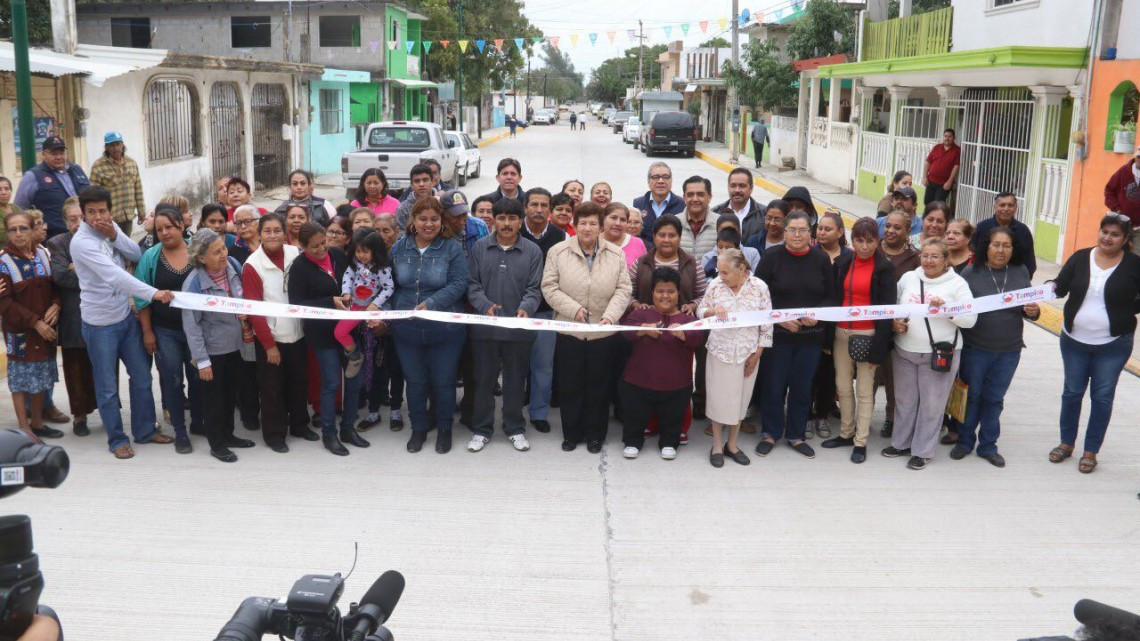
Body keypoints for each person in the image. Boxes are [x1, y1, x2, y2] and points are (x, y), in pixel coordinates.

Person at [71, 187, 175, 459]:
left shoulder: (109, 227)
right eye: (91, 212)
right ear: (83, 213)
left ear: (110, 210)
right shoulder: (82, 243)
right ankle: (117, 439)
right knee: (107, 387)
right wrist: (153, 294)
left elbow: (136, 254)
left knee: (142, 376)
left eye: (102, 211)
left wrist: (114, 234)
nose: (98, 217)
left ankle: (145, 431)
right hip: (99, 325)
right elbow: (114, 275)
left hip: (125, 318)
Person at [1050, 214, 1140, 474]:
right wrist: (1046, 288)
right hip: (1074, 342)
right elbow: (1060, 286)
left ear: (1125, 239)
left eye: (1114, 234)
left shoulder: (1134, 265)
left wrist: (1126, 311)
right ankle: (1066, 443)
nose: (1107, 238)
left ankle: (1091, 451)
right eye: (1104, 232)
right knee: (1072, 393)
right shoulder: (1081, 257)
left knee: (1101, 397)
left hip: (1113, 345)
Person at [541, 201, 632, 453]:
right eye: (583, 223)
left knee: (598, 386)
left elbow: (623, 289)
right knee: (570, 384)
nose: (588, 228)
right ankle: (571, 433)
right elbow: (549, 287)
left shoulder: (616, 254)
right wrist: (573, 309)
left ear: (601, 226)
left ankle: (595, 435)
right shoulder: (558, 252)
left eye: (593, 223)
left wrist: (610, 317)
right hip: (570, 330)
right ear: (575, 225)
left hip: (603, 332)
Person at [884, 237, 977, 470]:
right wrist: (895, 322)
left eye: (935, 256)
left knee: (932, 405)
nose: (928, 260)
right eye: (925, 255)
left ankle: (922, 451)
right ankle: (901, 443)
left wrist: (946, 309)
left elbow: (970, 320)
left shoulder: (957, 284)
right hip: (904, 351)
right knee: (904, 401)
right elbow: (894, 306)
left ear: (946, 259)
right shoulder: (909, 278)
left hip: (938, 355)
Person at [388, 197, 469, 454]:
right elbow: (389, 284)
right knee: (415, 382)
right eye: (422, 218)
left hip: (444, 329)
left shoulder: (451, 248)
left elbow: (459, 283)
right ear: (413, 220)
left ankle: (444, 429)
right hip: (407, 329)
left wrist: (432, 303)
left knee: (444, 382)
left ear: (441, 221)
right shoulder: (399, 248)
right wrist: (384, 312)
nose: (429, 224)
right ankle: (418, 429)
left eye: (434, 219)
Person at [954, 227, 1039, 468]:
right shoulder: (971, 273)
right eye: (996, 245)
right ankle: (964, 441)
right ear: (987, 247)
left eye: (1006, 246)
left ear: (1013, 249)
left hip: (1009, 350)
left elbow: (1029, 308)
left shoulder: (1020, 271)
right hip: (976, 348)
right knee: (972, 396)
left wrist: (1033, 311)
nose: (1001, 250)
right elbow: (961, 309)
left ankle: (988, 446)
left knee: (994, 399)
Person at [464, 197, 544, 453]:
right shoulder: (479, 248)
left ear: (521, 222)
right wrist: (484, 304)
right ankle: (481, 429)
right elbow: (472, 284)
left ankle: (515, 427)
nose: (506, 223)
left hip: (519, 329)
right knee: (483, 381)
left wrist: (526, 308)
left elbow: (534, 288)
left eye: (512, 218)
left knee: (515, 381)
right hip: (484, 329)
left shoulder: (532, 251)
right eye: (501, 218)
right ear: (494, 221)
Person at [754, 212, 835, 459]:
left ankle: (796, 435)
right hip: (778, 337)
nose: (797, 235)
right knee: (773, 386)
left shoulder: (820, 259)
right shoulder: (771, 257)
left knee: (802, 387)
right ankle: (770, 433)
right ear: (785, 232)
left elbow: (831, 296)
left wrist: (817, 315)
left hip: (810, 337)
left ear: (810, 233)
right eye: (792, 230)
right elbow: (757, 296)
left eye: (802, 230)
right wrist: (779, 318)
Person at [287, 222, 370, 456]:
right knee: (332, 382)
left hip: (348, 330)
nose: (321, 249)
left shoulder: (336, 255)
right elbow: (296, 304)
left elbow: (352, 279)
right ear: (303, 246)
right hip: (322, 334)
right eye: (314, 246)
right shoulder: (299, 267)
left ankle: (348, 428)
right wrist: (329, 302)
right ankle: (329, 433)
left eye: (324, 242)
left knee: (353, 380)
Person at [821, 218, 897, 464]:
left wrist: (879, 349)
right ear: (852, 241)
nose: (865, 246)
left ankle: (860, 441)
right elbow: (834, 299)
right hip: (841, 333)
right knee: (842, 387)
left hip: (869, 336)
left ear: (878, 241)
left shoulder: (885, 268)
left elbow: (887, 312)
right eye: (860, 240)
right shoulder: (843, 263)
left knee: (864, 390)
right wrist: (827, 335)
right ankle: (846, 432)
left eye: (870, 241)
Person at [181, 229, 256, 462]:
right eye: (216, 252)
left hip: (235, 346)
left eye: (223, 248)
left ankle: (229, 434)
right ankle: (217, 444)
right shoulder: (194, 283)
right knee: (214, 400)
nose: (223, 254)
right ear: (201, 258)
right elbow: (192, 326)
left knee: (230, 394)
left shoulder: (233, 265)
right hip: (212, 351)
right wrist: (202, 361)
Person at [630, 213, 707, 438]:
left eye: (672, 235)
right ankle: (650, 423)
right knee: (648, 376)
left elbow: (704, 294)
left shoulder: (692, 263)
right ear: (653, 236)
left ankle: (679, 427)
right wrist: (637, 305)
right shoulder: (641, 263)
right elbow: (627, 292)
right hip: (649, 331)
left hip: (680, 332)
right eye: (661, 235)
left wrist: (693, 305)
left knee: (678, 379)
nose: (666, 239)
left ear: (680, 237)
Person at [242, 213, 315, 452]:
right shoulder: (252, 265)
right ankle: (274, 435)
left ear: (285, 233)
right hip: (271, 338)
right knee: (272, 390)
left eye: (277, 230)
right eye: (267, 231)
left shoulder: (296, 254)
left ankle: (300, 426)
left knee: (299, 383)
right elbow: (254, 310)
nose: (272, 235)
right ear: (260, 234)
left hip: (298, 334)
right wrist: (269, 345)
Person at [134, 207, 200, 453]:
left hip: (196, 331)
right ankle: (180, 431)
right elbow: (142, 296)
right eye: (159, 229)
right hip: (165, 331)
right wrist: (147, 332)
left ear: (181, 226)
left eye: (169, 227)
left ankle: (199, 422)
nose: (164, 233)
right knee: (172, 380)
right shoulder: (151, 257)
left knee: (197, 377)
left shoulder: (197, 251)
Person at [620, 268, 704, 460]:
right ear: (652, 292)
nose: (665, 296)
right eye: (660, 291)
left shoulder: (687, 318)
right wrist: (644, 329)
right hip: (638, 382)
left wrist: (683, 334)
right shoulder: (641, 314)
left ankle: (669, 442)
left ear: (678, 293)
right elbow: (625, 330)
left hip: (676, 385)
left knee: (673, 417)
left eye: (670, 291)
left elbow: (698, 337)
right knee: (634, 415)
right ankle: (632, 441)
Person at [699, 249, 772, 467]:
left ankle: (732, 444)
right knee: (718, 400)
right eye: (719, 272)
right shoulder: (715, 285)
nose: (721, 276)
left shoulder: (759, 287)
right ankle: (717, 445)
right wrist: (712, 311)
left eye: (725, 272)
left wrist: (757, 354)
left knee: (741, 400)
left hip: (747, 353)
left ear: (741, 269)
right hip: (720, 351)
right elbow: (701, 310)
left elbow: (767, 323)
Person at [0, 211, 61, 442]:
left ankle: (38, 423)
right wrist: (35, 322)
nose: (18, 234)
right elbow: (4, 303)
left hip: (46, 330)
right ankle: (24, 429)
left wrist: (57, 304)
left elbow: (56, 286)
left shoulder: (43, 254)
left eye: (23, 228)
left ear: (33, 229)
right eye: (13, 229)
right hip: (21, 331)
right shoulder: (3, 262)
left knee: (41, 374)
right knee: (20, 379)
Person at [45, 199, 97, 436]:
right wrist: (92, 271)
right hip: (73, 316)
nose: (78, 223)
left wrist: (76, 267)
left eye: (81, 218)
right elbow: (60, 276)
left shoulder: (100, 239)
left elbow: (110, 272)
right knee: (74, 367)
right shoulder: (57, 243)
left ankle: (107, 410)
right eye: (72, 219)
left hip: (101, 314)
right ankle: (79, 416)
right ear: (65, 222)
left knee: (103, 366)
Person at [521, 187, 566, 434]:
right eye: (534, 205)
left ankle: (538, 412)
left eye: (543, 205)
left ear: (550, 209)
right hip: (517, 311)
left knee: (543, 366)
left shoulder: (560, 236)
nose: (538, 210)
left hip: (547, 312)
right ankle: (514, 409)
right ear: (525, 207)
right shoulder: (513, 231)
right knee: (516, 365)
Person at [358, 216, 405, 432]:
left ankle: (396, 410)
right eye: (376, 230)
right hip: (372, 323)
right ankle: (373, 411)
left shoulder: (402, 255)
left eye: (386, 230)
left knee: (396, 368)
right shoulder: (366, 259)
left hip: (397, 321)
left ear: (397, 231)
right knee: (374, 368)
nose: (381, 235)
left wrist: (388, 320)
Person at [807, 211, 851, 439]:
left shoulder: (850, 257)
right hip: (812, 323)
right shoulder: (810, 254)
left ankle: (822, 414)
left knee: (828, 372)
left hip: (839, 324)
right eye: (820, 228)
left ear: (840, 232)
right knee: (809, 372)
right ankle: (806, 416)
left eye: (828, 229)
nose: (822, 232)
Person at [877, 210, 921, 439]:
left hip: (902, 328)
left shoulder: (915, 258)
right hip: (874, 326)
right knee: (870, 377)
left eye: (897, 227)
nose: (891, 231)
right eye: (888, 226)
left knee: (895, 380)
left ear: (908, 231)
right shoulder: (873, 249)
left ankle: (892, 419)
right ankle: (858, 421)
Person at [332, 229, 394, 377]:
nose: (361, 255)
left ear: (375, 250)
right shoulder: (355, 263)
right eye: (358, 251)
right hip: (354, 306)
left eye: (365, 251)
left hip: (369, 309)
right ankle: (355, 357)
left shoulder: (382, 269)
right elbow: (348, 276)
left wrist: (375, 304)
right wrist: (346, 292)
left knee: (372, 343)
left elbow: (389, 288)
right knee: (339, 332)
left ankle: (371, 377)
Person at [14, 136, 91, 237]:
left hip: (84, 231)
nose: (59, 157)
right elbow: (19, 208)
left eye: (61, 153)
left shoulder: (76, 169)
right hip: (54, 236)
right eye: (54, 154)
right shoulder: (33, 176)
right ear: (43, 155)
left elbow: (91, 196)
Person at [87, 131, 145, 236]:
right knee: (109, 244)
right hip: (109, 218)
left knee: (125, 243)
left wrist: (141, 212)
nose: (115, 148)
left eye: (118, 144)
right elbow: (93, 195)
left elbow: (138, 189)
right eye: (111, 145)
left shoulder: (131, 163)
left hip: (128, 217)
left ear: (122, 144)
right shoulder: (98, 166)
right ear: (106, 147)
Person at [971, 192, 1037, 278]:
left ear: (1016, 208)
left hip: (1014, 280)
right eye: (1002, 205)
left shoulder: (1023, 231)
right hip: (984, 278)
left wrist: (1022, 280)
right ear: (995, 207)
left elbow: (1029, 262)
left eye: (1010, 205)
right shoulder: (982, 228)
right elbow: (974, 256)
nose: (1006, 209)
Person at [632, 162, 684, 245]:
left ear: (671, 181)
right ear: (648, 181)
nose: (660, 181)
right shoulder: (638, 204)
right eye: (655, 177)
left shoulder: (682, 205)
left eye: (665, 177)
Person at [712, 167, 766, 243]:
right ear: (728, 187)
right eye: (733, 186)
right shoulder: (715, 213)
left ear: (751, 188)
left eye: (742, 186)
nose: (737, 190)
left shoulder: (764, 214)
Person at [1104, 142, 1140, 253]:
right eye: (1139, 157)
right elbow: (1109, 191)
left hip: (1139, 229)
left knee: (1136, 258)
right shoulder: (1123, 172)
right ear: (1136, 157)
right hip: (1121, 224)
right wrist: (1117, 209)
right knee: (1117, 253)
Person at [678, 176, 718, 260]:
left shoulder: (720, 223)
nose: (695, 199)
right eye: (690, 195)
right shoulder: (674, 223)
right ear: (684, 198)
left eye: (700, 194)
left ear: (709, 197)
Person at [602, 202, 647, 267]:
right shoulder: (594, 242)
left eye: (623, 220)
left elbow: (645, 269)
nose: (618, 223)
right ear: (603, 218)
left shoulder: (638, 243)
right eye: (613, 218)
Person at [924, 128, 961, 205]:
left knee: (938, 204)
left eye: (949, 136)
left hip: (944, 183)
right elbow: (927, 162)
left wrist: (949, 182)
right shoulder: (937, 147)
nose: (947, 138)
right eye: (945, 136)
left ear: (954, 138)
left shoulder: (957, 150)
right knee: (927, 202)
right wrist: (924, 177)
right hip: (931, 180)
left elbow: (956, 167)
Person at [395, 164, 436, 232]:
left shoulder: (442, 203)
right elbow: (401, 235)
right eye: (417, 181)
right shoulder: (403, 209)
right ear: (412, 185)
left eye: (425, 180)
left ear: (432, 182)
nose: (421, 184)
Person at [0, 175, 22, 247]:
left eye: (7, 189)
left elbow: (28, 224)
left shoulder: (15, 208)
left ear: (11, 190)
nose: (3, 192)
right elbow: (2, 235)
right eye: (0, 189)